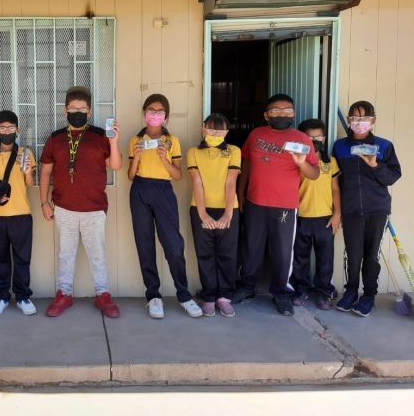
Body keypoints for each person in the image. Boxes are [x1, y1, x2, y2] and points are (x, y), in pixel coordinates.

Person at [39, 86, 123, 318]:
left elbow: (116, 166)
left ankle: (102, 294)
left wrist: (114, 142)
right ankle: (64, 293)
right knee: (65, 254)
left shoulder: (100, 136)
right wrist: (44, 203)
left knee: (97, 254)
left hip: (94, 208)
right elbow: (45, 172)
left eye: (83, 109)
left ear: (89, 111)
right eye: (73, 109)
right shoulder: (55, 138)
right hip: (64, 207)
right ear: (65, 110)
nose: (78, 112)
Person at [234, 93, 319, 316]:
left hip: (285, 206)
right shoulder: (256, 134)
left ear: (293, 113)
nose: (282, 114)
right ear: (266, 115)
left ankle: (281, 293)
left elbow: (314, 174)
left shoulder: (301, 139)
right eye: (276, 110)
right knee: (251, 248)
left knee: (282, 253)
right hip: (255, 202)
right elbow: (247, 162)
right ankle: (247, 287)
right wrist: (241, 193)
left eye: (287, 110)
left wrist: (301, 163)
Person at [128, 94, 202, 319]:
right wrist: (137, 157)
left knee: (173, 244)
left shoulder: (172, 141)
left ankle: (184, 295)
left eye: (160, 111)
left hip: (163, 190)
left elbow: (178, 175)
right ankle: (153, 296)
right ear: (144, 113)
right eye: (151, 110)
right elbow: (130, 175)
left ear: (166, 116)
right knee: (144, 243)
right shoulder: (136, 140)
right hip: (140, 189)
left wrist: (164, 159)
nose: (155, 114)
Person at [332, 101, 401, 316]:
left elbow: (392, 177)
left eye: (364, 118)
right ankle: (351, 291)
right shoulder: (340, 146)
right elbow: (335, 180)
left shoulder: (384, 146)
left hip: (377, 210)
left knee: (371, 256)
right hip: (351, 209)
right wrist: (337, 210)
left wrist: (375, 165)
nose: (359, 122)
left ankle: (369, 295)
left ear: (373, 120)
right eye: (355, 117)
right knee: (353, 254)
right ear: (349, 120)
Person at [0, 110, 37, 316]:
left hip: (21, 213)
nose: (6, 131)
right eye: (2, 128)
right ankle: (1, 297)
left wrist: (27, 171)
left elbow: (30, 184)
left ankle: (22, 296)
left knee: (22, 258)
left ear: (18, 129)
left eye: (11, 127)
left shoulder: (26, 153)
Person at [187, 113, 241, 318]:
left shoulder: (233, 151)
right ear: (203, 129)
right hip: (200, 209)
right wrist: (203, 214)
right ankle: (209, 297)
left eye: (220, 130)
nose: (215, 134)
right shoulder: (194, 152)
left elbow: (230, 181)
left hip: (228, 209)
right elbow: (197, 181)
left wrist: (228, 213)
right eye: (211, 129)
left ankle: (224, 297)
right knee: (205, 253)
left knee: (227, 253)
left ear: (226, 132)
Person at [290, 119, 341, 310]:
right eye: (309, 138)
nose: (314, 141)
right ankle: (301, 289)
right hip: (300, 216)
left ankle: (324, 292)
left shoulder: (330, 162)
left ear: (324, 138)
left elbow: (335, 189)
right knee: (299, 257)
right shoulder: (296, 162)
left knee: (325, 259)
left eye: (318, 137)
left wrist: (337, 214)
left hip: (325, 218)